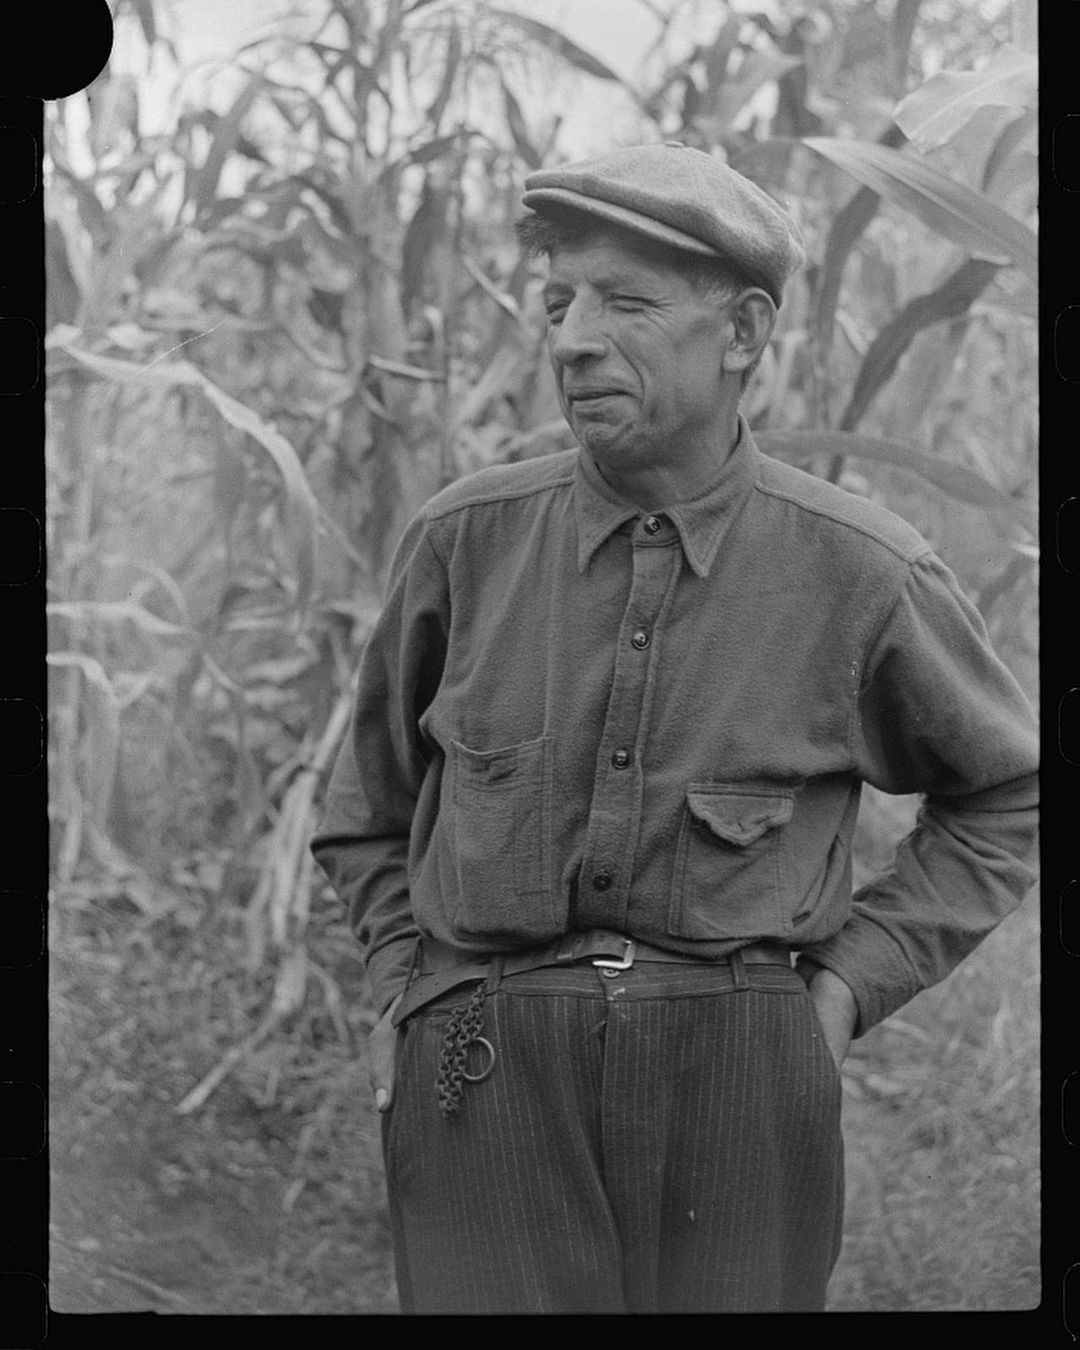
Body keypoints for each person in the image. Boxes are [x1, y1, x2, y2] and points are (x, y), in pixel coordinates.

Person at [311, 142, 1038, 1314]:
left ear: (743, 333)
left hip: (743, 1084)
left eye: (625, 303)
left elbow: (1008, 792)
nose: (571, 338)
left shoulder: (860, 570)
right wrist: (411, 986)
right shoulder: (466, 542)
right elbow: (367, 814)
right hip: (485, 1077)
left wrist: (850, 985)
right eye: (558, 303)